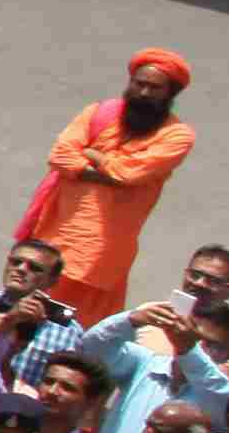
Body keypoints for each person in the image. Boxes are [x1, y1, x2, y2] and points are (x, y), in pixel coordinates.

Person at [15, 52, 192, 313]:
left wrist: (91, 155)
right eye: (139, 83)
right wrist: (109, 173)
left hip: (103, 249)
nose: (143, 93)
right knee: (26, 310)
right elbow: (60, 156)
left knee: (75, 321)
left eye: (154, 88)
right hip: (54, 232)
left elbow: (129, 174)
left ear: (171, 93)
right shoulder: (98, 113)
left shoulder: (177, 136)